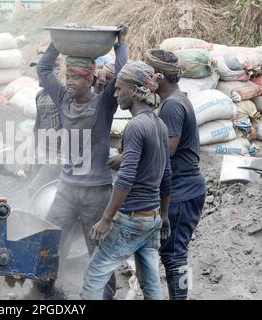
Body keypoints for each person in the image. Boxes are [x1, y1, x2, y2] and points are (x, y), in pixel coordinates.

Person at [36, 24, 129, 299]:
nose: (68, 82)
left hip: (96, 192)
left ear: (88, 80)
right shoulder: (63, 99)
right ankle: (44, 291)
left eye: (75, 78)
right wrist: (56, 43)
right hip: (66, 189)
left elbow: (121, 75)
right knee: (50, 241)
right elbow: (43, 71)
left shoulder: (102, 105)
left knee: (99, 251)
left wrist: (120, 44)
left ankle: (107, 297)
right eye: (67, 77)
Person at [82, 61, 172, 300]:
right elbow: (166, 174)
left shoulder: (135, 126)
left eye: (119, 88)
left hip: (131, 219)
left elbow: (126, 178)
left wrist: (105, 219)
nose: (115, 93)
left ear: (134, 90)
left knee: (94, 275)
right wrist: (163, 215)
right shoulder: (159, 124)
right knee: (151, 281)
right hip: (151, 217)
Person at [145, 49, 207, 300]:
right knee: (173, 253)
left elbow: (167, 149)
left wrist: (131, 158)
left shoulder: (172, 105)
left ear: (159, 77)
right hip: (184, 188)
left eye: (148, 74)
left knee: (175, 255)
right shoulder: (175, 100)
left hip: (183, 189)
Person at [28, 48, 63, 197]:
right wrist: (33, 154)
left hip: (60, 155)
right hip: (43, 153)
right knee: (38, 190)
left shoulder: (64, 93)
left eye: (41, 69)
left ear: (55, 70)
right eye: (37, 69)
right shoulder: (40, 96)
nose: (38, 73)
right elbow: (38, 127)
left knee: (35, 189)